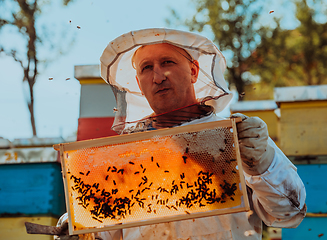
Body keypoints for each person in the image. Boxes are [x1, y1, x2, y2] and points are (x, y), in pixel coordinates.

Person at [56, 28, 306, 240]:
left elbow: (289, 214)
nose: (157, 76)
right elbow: (105, 232)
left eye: (167, 62)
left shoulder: (236, 137)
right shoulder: (125, 156)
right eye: (146, 68)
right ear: (139, 83)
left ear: (194, 70)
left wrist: (263, 165)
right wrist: (78, 225)